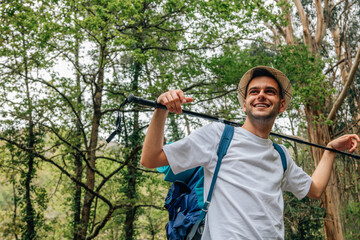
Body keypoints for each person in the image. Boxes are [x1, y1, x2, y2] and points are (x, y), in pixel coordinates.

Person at [140, 66, 360, 239]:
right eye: (254, 92)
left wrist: (330, 150)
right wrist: (161, 108)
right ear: (245, 104)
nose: (261, 95)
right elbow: (150, 159)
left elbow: (315, 190)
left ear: (281, 105)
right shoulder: (218, 136)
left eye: (270, 92)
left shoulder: (281, 155)